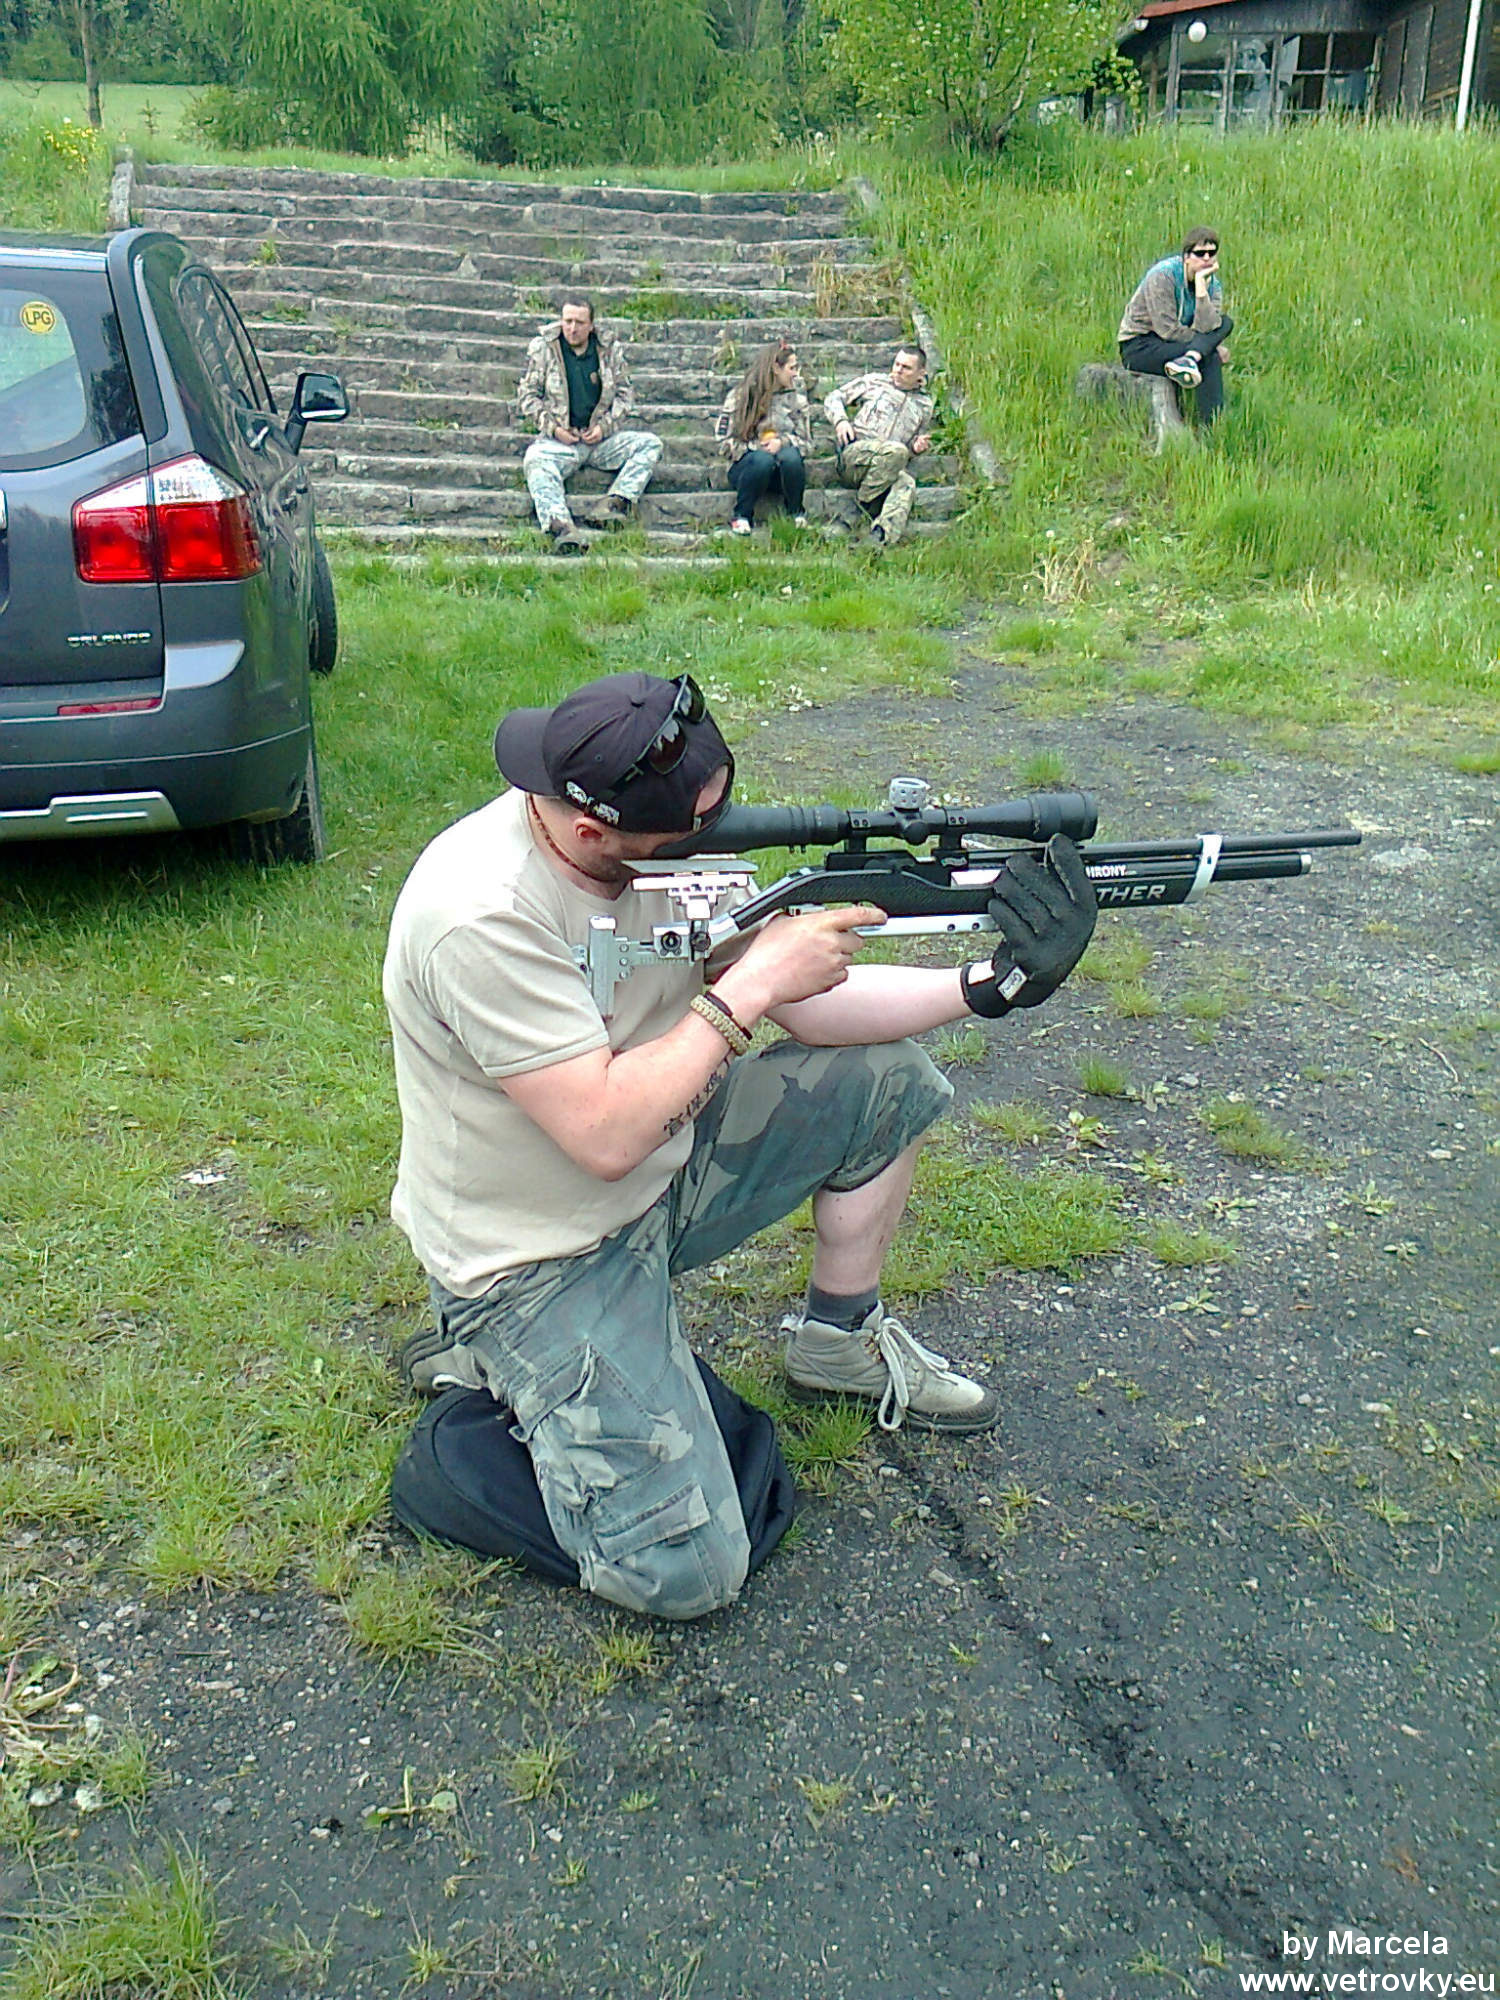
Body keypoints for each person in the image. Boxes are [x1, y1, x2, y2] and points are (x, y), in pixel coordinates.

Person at [382, 672, 1097, 1620]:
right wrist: (749, 986)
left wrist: (990, 986)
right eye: (697, 828)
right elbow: (605, 1134)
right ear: (592, 833)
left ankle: (839, 1343)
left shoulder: (666, 839)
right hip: (534, 1257)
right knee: (686, 1572)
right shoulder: (479, 914)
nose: (720, 836)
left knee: (886, 1082)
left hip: (663, 1169)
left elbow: (818, 1004)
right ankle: (473, 1408)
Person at [516, 297, 664, 553]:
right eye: (568, 321)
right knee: (535, 460)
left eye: (579, 323)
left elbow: (625, 395)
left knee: (650, 444)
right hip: (559, 440)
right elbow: (528, 396)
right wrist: (554, 429)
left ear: (591, 325)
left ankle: (615, 503)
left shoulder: (609, 349)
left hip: (600, 440)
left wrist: (604, 428)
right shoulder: (544, 348)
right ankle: (560, 526)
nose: (572, 328)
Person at [1118, 227, 1234, 427]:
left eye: (1212, 253)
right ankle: (1210, 426)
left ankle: (1191, 360)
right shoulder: (1163, 276)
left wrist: (1201, 289)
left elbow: (1208, 327)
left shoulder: (1213, 285)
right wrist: (1208, 346)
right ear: (1186, 257)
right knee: (1211, 356)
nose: (1207, 258)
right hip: (1140, 345)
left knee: (1225, 322)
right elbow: (1167, 330)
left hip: (1178, 345)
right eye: (1200, 254)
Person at [823, 345, 934, 548]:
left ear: (921, 373)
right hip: (856, 455)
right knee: (896, 451)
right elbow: (834, 397)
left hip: (887, 466)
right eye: (897, 364)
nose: (898, 370)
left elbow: (908, 450)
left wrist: (915, 448)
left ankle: (879, 537)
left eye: (906, 368)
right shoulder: (874, 382)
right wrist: (841, 421)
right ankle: (862, 507)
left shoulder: (925, 405)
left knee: (906, 482)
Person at [715, 339, 813, 535]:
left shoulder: (797, 399)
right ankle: (742, 515)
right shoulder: (740, 397)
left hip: (782, 470)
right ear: (776, 368)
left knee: (791, 457)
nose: (796, 373)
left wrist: (782, 443)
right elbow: (724, 442)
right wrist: (757, 448)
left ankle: (796, 513)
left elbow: (808, 444)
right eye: (792, 368)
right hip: (748, 469)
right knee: (762, 460)